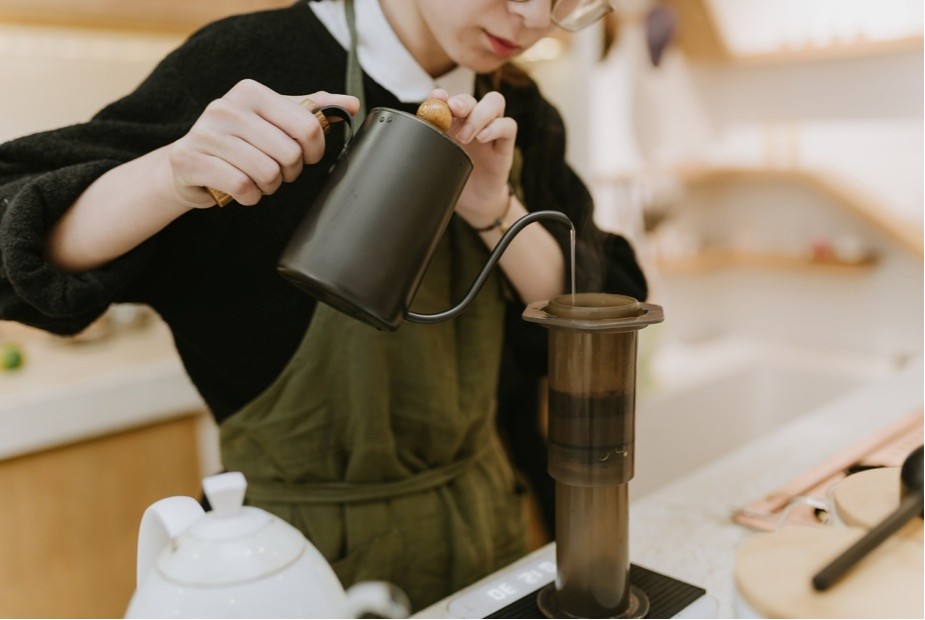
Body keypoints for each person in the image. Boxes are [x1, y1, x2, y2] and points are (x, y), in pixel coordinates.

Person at [0, 0, 646, 610]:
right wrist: (169, 174)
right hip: (292, 564)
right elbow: (15, 231)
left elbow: (590, 307)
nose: (535, 20)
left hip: (491, 532)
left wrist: (493, 210)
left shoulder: (519, 108)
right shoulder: (252, 62)